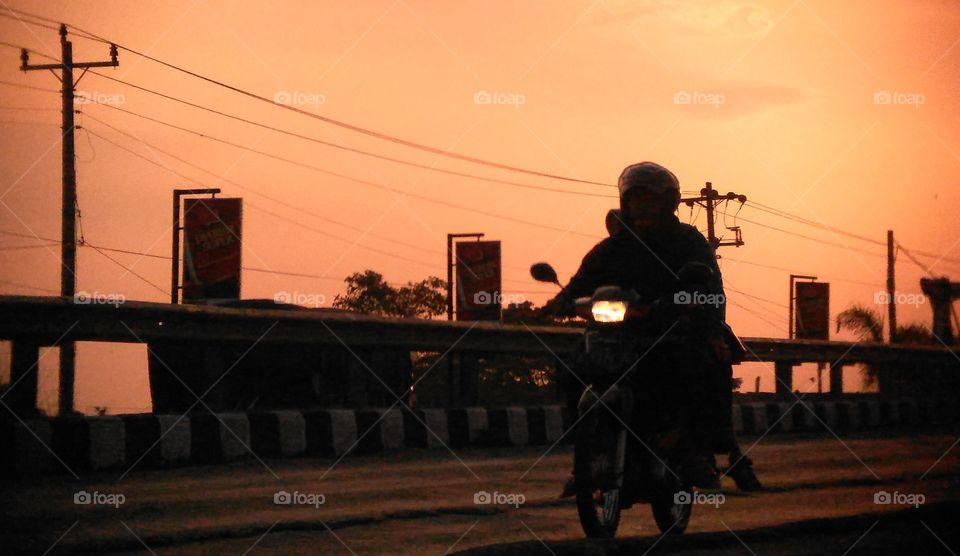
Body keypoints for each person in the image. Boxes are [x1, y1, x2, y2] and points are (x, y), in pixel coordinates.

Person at [545, 161, 732, 490]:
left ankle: (696, 453)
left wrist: (702, 317)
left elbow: (711, 287)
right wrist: (561, 301)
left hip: (672, 329)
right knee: (573, 369)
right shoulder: (615, 245)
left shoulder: (687, 240)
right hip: (619, 334)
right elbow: (583, 279)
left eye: (650, 199)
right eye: (635, 199)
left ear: (669, 202)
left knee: (701, 367)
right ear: (625, 203)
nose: (642, 206)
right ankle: (588, 458)